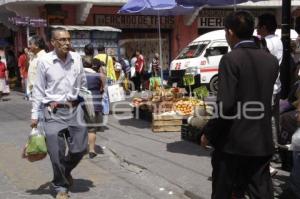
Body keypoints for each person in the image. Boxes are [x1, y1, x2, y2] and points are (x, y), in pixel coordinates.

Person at [201, 11, 279, 199]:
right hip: (261, 141)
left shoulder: (231, 59)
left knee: (224, 192)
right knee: (261, 192)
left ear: (230, 32)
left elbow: (226, 105)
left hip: (234, 144)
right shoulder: (271, 60)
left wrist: (209, 132)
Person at [31, 28, 88, 199]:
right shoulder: (45, 61)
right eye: (62, 40)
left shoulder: (77, 58)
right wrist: (35, 115)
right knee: (56, 152)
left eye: (68, 39)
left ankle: (65, 171)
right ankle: (60, 186)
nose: (66, 43)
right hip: (53, 111)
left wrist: (87, 99)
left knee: (80, 149)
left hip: (74, 109)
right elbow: (38, 90)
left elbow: (82, 81)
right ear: (53, 43)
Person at [257, 13, 283, 168]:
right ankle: (275, 150)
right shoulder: (278, 41)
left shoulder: (264, 43)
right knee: (274, 120)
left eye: (258, 25)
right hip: (276, 85)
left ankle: (269, 150)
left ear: (264, 27)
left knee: (265, 120)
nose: (256, 29)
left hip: (267, 87)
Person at [83, 57, 105, 159]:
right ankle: (91, 150)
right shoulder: (98, 75)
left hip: (81, 103)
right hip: (94, 103)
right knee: (92, 128)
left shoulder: (78, 75)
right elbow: (103, 89)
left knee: (80, 127)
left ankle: (81, 149)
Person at [27, 35, 47, 99]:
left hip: (41, 93)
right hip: (34, 92)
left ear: (37, 45)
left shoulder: (44, 57)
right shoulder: (34, 57)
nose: (29, 46)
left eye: (30, 44)